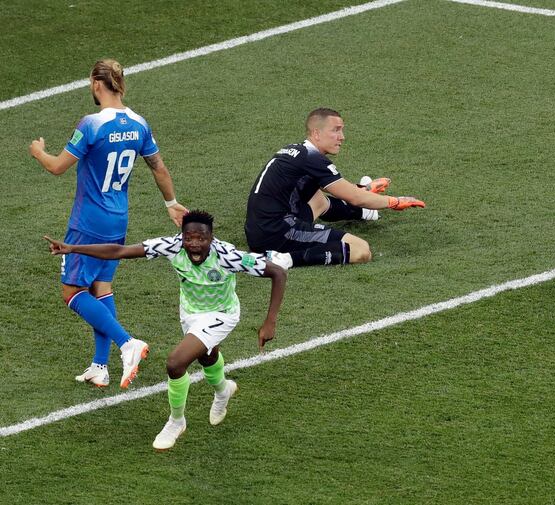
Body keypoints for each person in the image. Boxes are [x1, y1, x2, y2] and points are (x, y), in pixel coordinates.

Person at [46, 210, 288, 450]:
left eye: (201, 239)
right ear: (181, 236)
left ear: (211, 239)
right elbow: (120, 251)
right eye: (189, 238)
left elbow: (277, 272)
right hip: (190, 313)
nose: (194, 245)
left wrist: (270, 322)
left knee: (175, 363)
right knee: (207, 356)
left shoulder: (228, 255)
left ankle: (176, 421)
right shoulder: (172, 246)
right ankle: (223, 390)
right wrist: (72, 248)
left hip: (222, 315)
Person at [29, 59, 187, 388]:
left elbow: (58, 167)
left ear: (98, 84)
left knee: (72, 292)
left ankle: (128, 343)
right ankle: (100, 366)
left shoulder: (91, 124)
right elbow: (158, 166)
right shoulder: (139, 123)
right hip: (118, 218)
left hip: (88, 221)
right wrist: (171, 204)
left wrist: (38, 152)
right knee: (101, 287)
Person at [244, 108, 426, 268]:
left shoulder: (296, 151)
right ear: (316, 133)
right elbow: (355, 198)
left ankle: (364, 213)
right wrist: (395, 202)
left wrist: (365, 188)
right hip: (278, 233)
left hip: (259, 229)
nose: (342, 137)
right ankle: (285, 259)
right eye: (336, 130)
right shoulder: (313, 159)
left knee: (318, 199)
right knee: (361, 251)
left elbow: (345, 191)